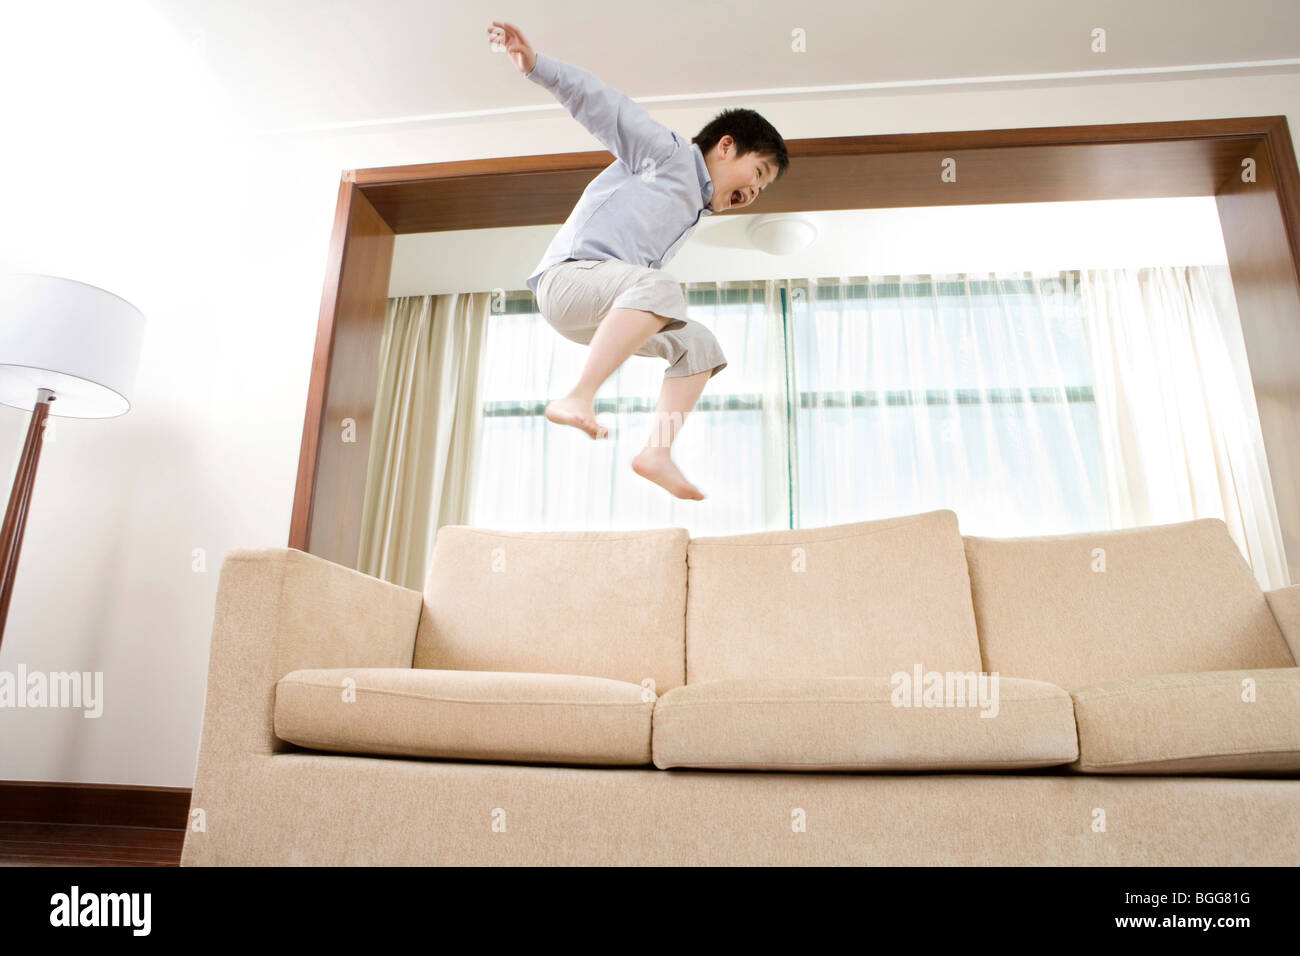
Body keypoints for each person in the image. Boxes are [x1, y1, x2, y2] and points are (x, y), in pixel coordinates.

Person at [487, 20, 789, 499]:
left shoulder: (692, 209)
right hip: (568, 281)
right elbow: (601, 103)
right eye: (758, 172)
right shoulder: (667, 154)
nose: (754, 191)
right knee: (661, 287)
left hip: (598, 313)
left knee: (700, 345)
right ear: (726, 145)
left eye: (763, 189)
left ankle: (656, 452)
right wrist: (535, 65)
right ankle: (579, 396)